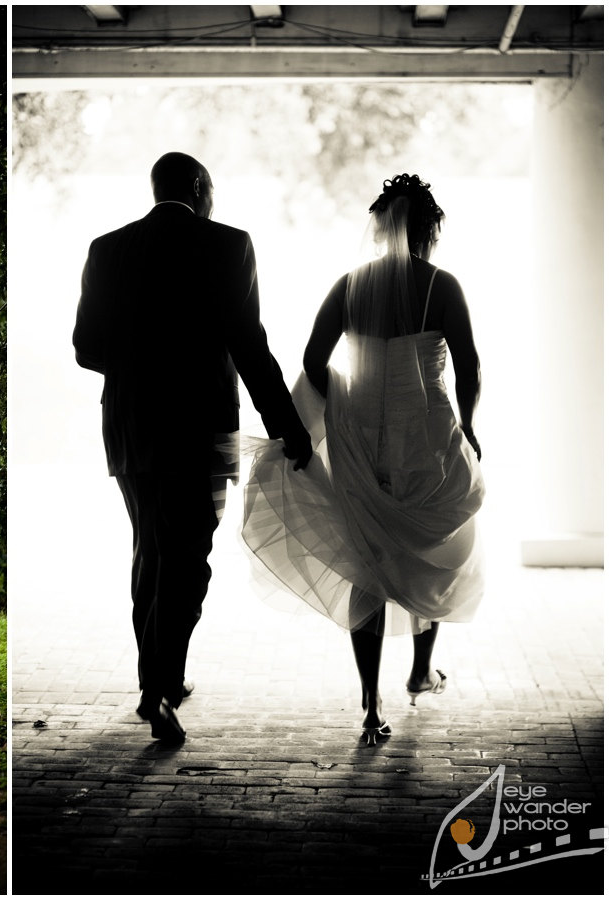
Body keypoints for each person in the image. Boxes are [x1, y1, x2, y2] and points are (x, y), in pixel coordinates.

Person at [74, 151, 313, 743]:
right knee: (187, 559)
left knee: (151, 552)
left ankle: (155, 682)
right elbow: (249, 347)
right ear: (202, 188)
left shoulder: (108, 248)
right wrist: (288, 426)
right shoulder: (229, 245)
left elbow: (85, 347)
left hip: (130, 428)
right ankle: (160, 689)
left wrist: (135, 370)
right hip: (204, 430)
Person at [239, 174, 484, 746]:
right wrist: (469, 424)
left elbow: (312, 358)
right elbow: (470, 367)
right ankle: (422, 670)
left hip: (363, 439)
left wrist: (345, 408)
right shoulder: (442, 286)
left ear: (380, 227)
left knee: (368, 557)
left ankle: (372, 706)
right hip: (425, 434)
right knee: (436, 546)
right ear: (427, 231)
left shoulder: (349, 285)